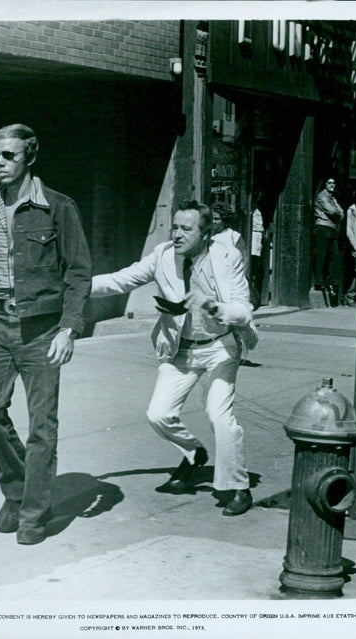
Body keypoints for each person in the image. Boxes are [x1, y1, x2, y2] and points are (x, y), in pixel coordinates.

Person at [91, 200, 258, 517]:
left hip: (219, 346)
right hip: (181, 348)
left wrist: (211, 307)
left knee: (219, 416)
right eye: (175, 227)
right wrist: (76, 287)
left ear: (205, 232)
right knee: (158, 414)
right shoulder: (163, 255)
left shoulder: (227, 257)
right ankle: (195, 454)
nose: (177, 234)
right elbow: (121, 279)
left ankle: (238, 486)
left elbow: (243, 309)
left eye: (186, 228)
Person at [0, 124, 91, 545]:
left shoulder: (57, 207)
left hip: (42, 330)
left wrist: (70, 328)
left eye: (9, 156)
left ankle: (34, 513)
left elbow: (78, 271)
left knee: (42, 426)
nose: (0, 163)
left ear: (30, 157)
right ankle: (17, 490)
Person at [211, 202, 258, 309]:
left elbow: (245, 257)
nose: (214, 222)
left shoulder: (233, 236)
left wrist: (241, 276)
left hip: (229, 281)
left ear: (224, 220)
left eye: (217, 219)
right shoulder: (208, 235)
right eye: (212, 218)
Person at [312, 177, 344, 302]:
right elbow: (333, 211)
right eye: (329, 183)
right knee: (321, 256)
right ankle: (319, 282)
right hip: (322, 227)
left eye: (333, 182)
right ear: (325, 184)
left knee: (334, 256)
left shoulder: (332, 197)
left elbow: (341, 212)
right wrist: (337, 212)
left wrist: (338, 212)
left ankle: (330, 281)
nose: (332, 185)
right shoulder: (322, 196)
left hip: (331, 228)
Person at [342, 190, 356, 306]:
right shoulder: (353, 210)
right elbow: (349, 229)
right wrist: (355, 245)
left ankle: (354, 295)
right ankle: (350, 295)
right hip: (355, 245)